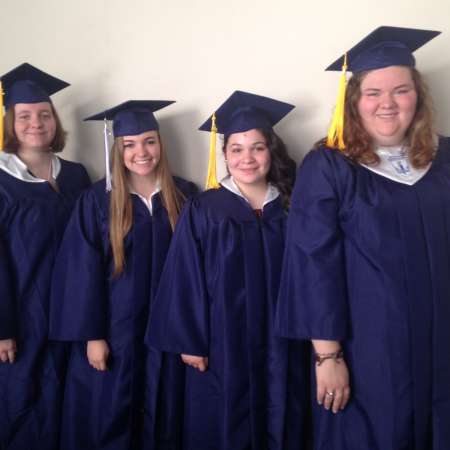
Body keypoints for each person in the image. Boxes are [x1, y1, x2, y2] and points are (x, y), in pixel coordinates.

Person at [275, 26, 449, 450]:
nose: (387, 103)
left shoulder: (445, 158)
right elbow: (313, 266)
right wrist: (328, 356)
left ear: (418, 97)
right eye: (373, 92)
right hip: (369, 349)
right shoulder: (330, 166)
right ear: (354, 101)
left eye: (401, 90)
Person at [147, 90, 309, 450]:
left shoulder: (291, 206)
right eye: (236, 149)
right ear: (224, 155)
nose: (247, 158)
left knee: (284, 412)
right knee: (225, 422)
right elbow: (184, 275)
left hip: (284, 340)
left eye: (257, 147)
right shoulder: (205, 208)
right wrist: (190, 342)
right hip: (223, 344)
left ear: (272, 151)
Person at [49, 100, 198, 450]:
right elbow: (80, 271)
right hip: (115, 332)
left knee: (163, 415)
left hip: (168, 332)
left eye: (149, 141)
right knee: (111, 415)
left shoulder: (185, 196)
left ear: (161, 144)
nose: (141, 152)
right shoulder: (97, 201)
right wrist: (92, 336)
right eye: (129, 144)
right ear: (117, 149)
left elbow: (198, 271)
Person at [0, 63, 91, 450]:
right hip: (21, 312)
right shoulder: (1, 178)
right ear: (10, 123)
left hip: (70, 312)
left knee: (68, 400)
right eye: (24, 116)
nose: (36, 123)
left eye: (43, 114)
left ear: (54, 120)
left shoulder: (75, 175)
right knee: (22, 401)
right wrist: (2, 326)